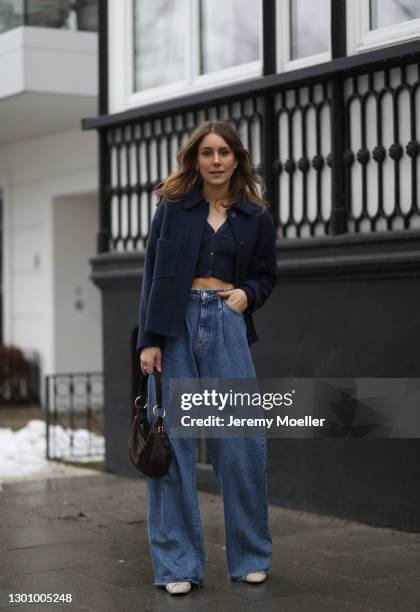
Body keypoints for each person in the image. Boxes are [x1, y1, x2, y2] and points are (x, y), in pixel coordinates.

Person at [136, 120, 278, 595]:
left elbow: (266, 275)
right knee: (173, 446)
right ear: (194, 159)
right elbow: (152, 274)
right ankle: (177, 565)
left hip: (227, 322)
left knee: (239, 444)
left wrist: (246, 296)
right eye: (206, 152)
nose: (216, 160)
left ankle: (251, 556)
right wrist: (148, 340)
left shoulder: (255, 215)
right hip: (173, 328)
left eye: (224, 152)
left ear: (237, 158)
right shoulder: (172, 209)